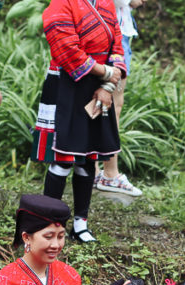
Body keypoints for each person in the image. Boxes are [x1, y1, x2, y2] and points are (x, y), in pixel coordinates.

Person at [31, 0, 126, 243]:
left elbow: (117, 44)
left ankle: (80, 224)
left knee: (88, 159)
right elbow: (65, 49)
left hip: (99, 86)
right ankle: (49, 223)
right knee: (63, 159)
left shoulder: (106, 4)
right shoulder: (59, 5)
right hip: (66, 83)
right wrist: (104, 72)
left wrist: (107, 85)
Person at [94, 0, 143, 197]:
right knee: (112, 103)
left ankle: (94, 169)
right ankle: (109, 173)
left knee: (106, 101)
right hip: (110, 28)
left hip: (112, 27)